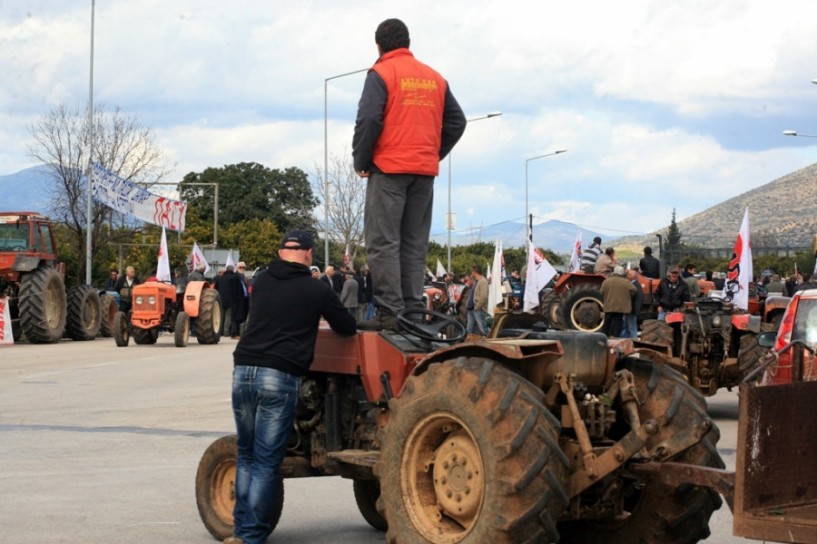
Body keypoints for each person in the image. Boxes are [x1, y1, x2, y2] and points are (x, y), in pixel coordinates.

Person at [229, 230, 356, 544]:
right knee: (265, 462)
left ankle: (239, 530)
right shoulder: (316, 290)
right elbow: (347, 327)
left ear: (279, 251)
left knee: (245, 454)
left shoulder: (261, 281)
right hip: (278, 375)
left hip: (242, 371)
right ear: (310, 254)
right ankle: (251, 537)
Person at [352, 18, 466, 330]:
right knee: (414, 243)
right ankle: (414, 311)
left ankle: (391, 313)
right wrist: (431, 154)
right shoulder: (435, 78)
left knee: (383, 242)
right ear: (408, 43)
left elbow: (369, 120)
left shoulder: (381, 73)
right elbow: (458, 122)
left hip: (389, 169)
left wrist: (361, 159)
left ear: (379, 45)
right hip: (423, 173)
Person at [600, 265, 636, 338]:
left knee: (607, 322)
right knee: (617, 322)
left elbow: (601, 292)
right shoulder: (626, 282)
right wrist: (628, 296)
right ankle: (615, 337)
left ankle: (603, 336)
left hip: (609, 305)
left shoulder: (607, 281)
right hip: (620, 307)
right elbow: (634, 290)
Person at [465, 265, 489, 336]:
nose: (471, 273)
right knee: (470, 330)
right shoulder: (476, 281)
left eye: (472, 272)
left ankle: (488, 343)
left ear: (474, 272)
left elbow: (483, 296)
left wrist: (477, 307)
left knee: (483, 329)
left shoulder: (483, 282)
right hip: (472, 309)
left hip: (478, 309)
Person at [622, 268, 643, 338]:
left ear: (631, 276)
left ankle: (634, 341)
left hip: (631, 310)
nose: (627, 276)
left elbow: (638, 299)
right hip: (629, 310)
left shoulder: (634, 285)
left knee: (631, 328)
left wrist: (636, 310)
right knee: (626, 327)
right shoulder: (635, 284)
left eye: (628, 275)